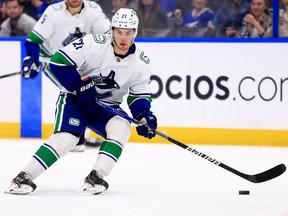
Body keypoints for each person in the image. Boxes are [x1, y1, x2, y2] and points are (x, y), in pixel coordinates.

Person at [5, 8, 158, 195]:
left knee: (122, 126)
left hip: (106, 106)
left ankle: (96, 177)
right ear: (112, 30)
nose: (123, 38)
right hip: (75, 99)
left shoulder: (141, 63)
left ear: (135, 32)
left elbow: (139, 96)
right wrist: (79, 86)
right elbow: (58, 61)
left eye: (128, 33)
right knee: (68, 139)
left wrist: (144, 116)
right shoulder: (93, 43)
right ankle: (24, 177)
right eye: (119, 32)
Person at [20, 0, 111, 150]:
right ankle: (75, 135)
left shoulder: (93, 10)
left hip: (80, 60)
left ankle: (81, 132)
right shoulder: (53, 12)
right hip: (54, 61)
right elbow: (33, 41)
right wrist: (32, 59)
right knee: (75, 90)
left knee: (90, 91)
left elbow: (109, 36)